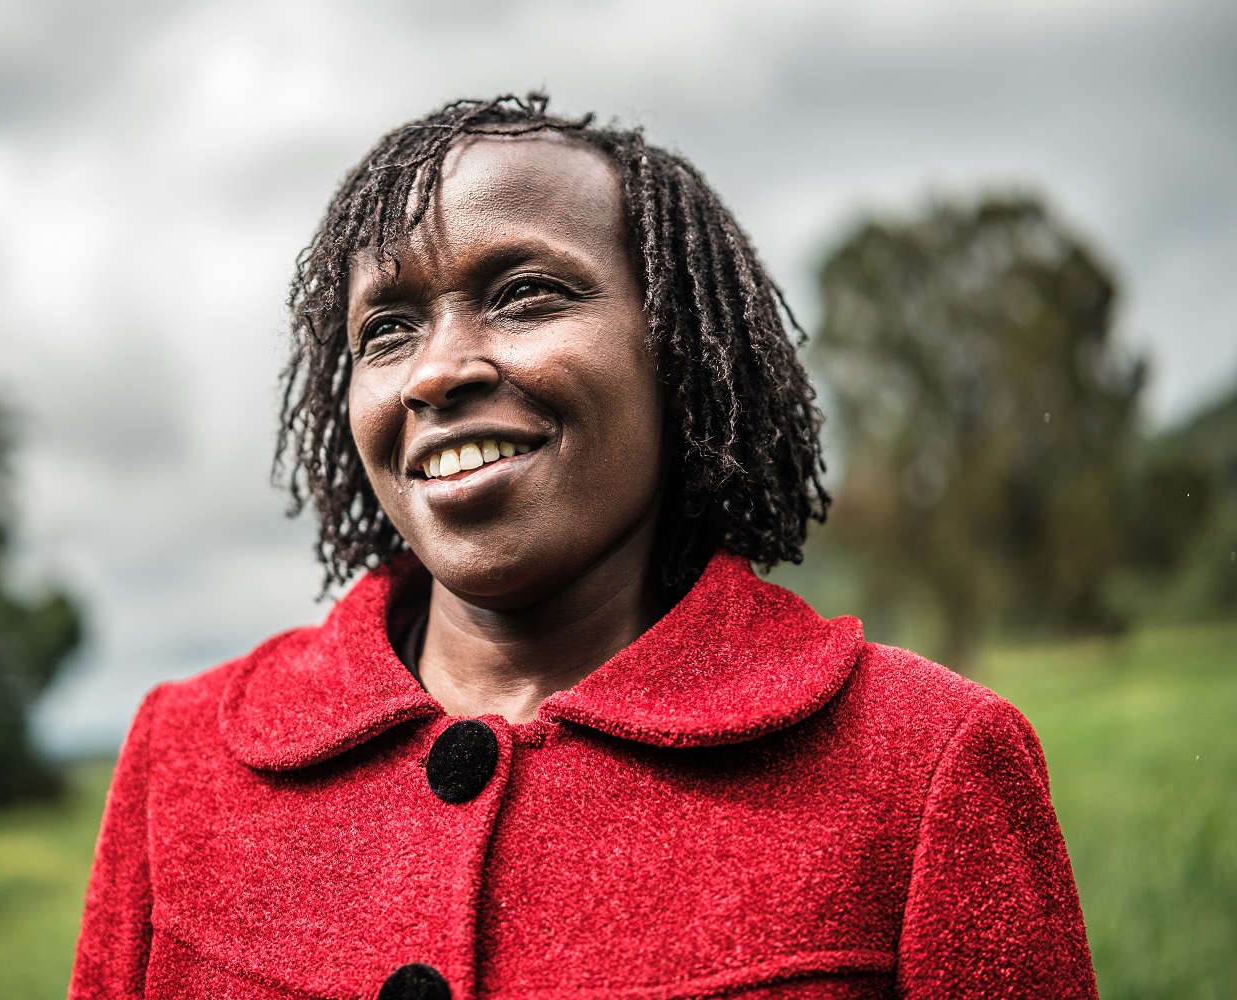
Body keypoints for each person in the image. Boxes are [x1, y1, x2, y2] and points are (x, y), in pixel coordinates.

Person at [70, 94, 1097, 1000]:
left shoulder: (923, 770)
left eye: (523, 294)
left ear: (678, 350)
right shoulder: (182, 757)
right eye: (385, 328)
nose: (435, 373)